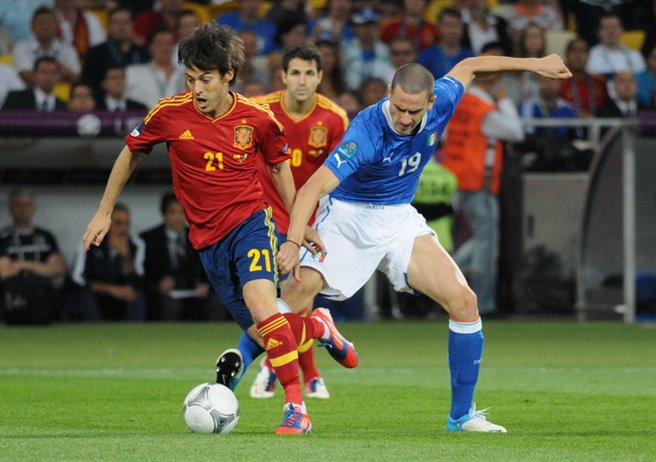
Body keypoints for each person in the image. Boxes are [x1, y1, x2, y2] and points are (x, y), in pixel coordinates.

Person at [81, 23, 357, 435]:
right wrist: (104, 211)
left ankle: (296, 409)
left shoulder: (256, 119)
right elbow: (130, 154)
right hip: (206, 242)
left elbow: (280, 168)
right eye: (190, 79)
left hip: (250, 223)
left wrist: (301, 226)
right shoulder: (168, 113)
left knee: (264, 307)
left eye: (205, 79)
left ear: (228, 74)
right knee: (267, 334)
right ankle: (318, 326)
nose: (197, 89)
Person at [275, 54, 571, 433]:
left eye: (413, 111)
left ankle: (461, 417)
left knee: (464, 302)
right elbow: (313, 188)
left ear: (431, 103)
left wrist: (533, 63)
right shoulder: (366, 130)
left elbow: (471, 64)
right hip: (348, 216)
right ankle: (233, 383)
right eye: (398, 107)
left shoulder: (443, 99)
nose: (403, 118)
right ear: (388, 95)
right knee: (291, 296)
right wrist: (293, 240)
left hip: (398, 217)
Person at [221, 43, 349, 400]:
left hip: (308, 221)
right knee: (271, 297)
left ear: (321, 77)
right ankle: (302, 370)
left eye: (310, 73)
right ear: (284, 76)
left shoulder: (334, 119)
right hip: (261, 216)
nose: (302, 80)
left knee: (294, 295)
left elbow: (340, 177)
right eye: (295, 72)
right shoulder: (260, 109)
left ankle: (272, 366)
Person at [442, 54, 525, 315]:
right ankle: (484, 303)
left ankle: (441, 275)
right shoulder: (483, 109)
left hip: (458, 178)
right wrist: (505, 101)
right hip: (479, 182)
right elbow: (516, 132)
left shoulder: (460, 103)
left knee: (479, 241)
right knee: (486, 245)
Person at [139, 192, 213, 321]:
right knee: (170, 305)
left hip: (194, 291)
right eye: (172, 212)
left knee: (216, 302)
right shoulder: (148, 239)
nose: (177, 218)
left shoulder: (198, 236)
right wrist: (158, 285)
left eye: (181, 212)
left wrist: (205, 284)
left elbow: (207, 267)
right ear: (164, 214)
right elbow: (143, 273)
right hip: (164, 294)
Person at [0, 188, 67, 324]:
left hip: (42, 296)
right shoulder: (3, 237)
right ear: (11, 208)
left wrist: (21, 265)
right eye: (18, 205)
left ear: (34, 207)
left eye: (27, 205)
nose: (23, 209)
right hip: (12, 295)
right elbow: (4, 271)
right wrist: (42, 267)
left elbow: (59, 268)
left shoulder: (46, 236)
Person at [72, 203, 146, 321]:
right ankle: (95, 332)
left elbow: (138, 280)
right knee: (85, 296)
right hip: (96, 293)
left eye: (126, 224)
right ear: (107, 225)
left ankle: (134, 332)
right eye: (118, 223)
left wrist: (126, 256)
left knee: (137, 295)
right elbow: (78, 280)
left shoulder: (136, 245)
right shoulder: (90, 242)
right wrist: (111, 289)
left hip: (121, 296)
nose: (123, 229)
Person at [80, 7, 151, 102]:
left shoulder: (144, 53)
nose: (121, 27)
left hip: (138, 106)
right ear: (108, 27)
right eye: (116, 23)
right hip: (104, 109)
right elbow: (88, 85)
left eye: (125, 22)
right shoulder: (94, 54)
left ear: (132, 25)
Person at [12, 5, 80, 85]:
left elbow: (76, 78)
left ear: (56, 26)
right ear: (32, 27)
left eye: (48, 22)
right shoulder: (21, 48)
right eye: (40, 23)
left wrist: (43, 75)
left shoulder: (68, 49)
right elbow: (27, 76)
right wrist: (61, 71)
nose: (45, 26)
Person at [125, 27, 185, 108]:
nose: (165, 48)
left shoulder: (186, 75)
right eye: (160, 44)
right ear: (150, 47)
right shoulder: (133, 73)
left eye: (169, 44)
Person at [418, 8, 475, 80]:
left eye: (456, 25)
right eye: (448, 26)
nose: (452, 30)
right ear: (438, 28)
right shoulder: (426, 56)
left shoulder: (469, 56)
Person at [560, 37, 608, 118]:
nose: (578, 56)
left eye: (583, 51)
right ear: (567, 56)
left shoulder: (599, 82)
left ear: (589, 56)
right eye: (574, 51)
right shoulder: (560, 83)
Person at [2, 57, 67, 111]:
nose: (49, 77)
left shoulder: (63, 106)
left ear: (59, 77)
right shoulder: (15, 98)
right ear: (34, 75)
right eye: (44, 72)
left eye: (53, 73)